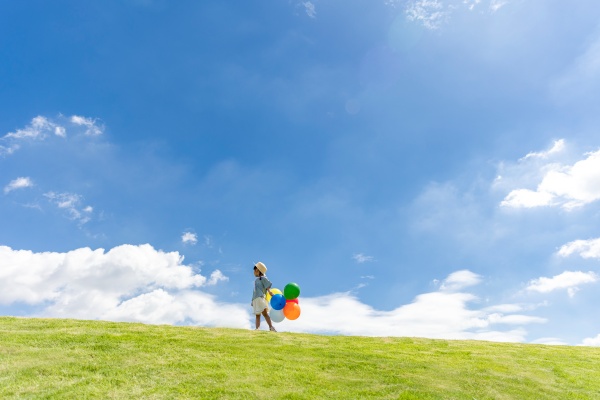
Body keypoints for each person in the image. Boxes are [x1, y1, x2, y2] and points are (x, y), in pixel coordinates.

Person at [251, 261, 277, 332]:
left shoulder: (263, 278)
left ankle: (271, 327)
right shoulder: (256, 280)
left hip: (261, 298)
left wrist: (270, 292)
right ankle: (257, 328)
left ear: (257, 270)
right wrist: (252, 300)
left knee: (265, 313)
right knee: (257, 314)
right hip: (256, 299)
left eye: (254, 269)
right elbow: (255, 291)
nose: (253, 271)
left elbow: (267, 287)